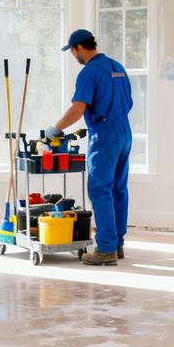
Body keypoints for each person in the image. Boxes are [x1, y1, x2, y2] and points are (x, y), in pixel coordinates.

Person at [45, 29, 133, 266]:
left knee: (100, 189)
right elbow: (129, 102)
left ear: (79, 48)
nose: (73, 56)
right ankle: (117, 243)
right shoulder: (117, 67)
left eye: (73, 51)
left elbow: (77, 109)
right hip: (124, 132)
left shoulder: (89, 72)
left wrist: (56, 129)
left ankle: (105, 249)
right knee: (118, 189)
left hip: (104, 135)